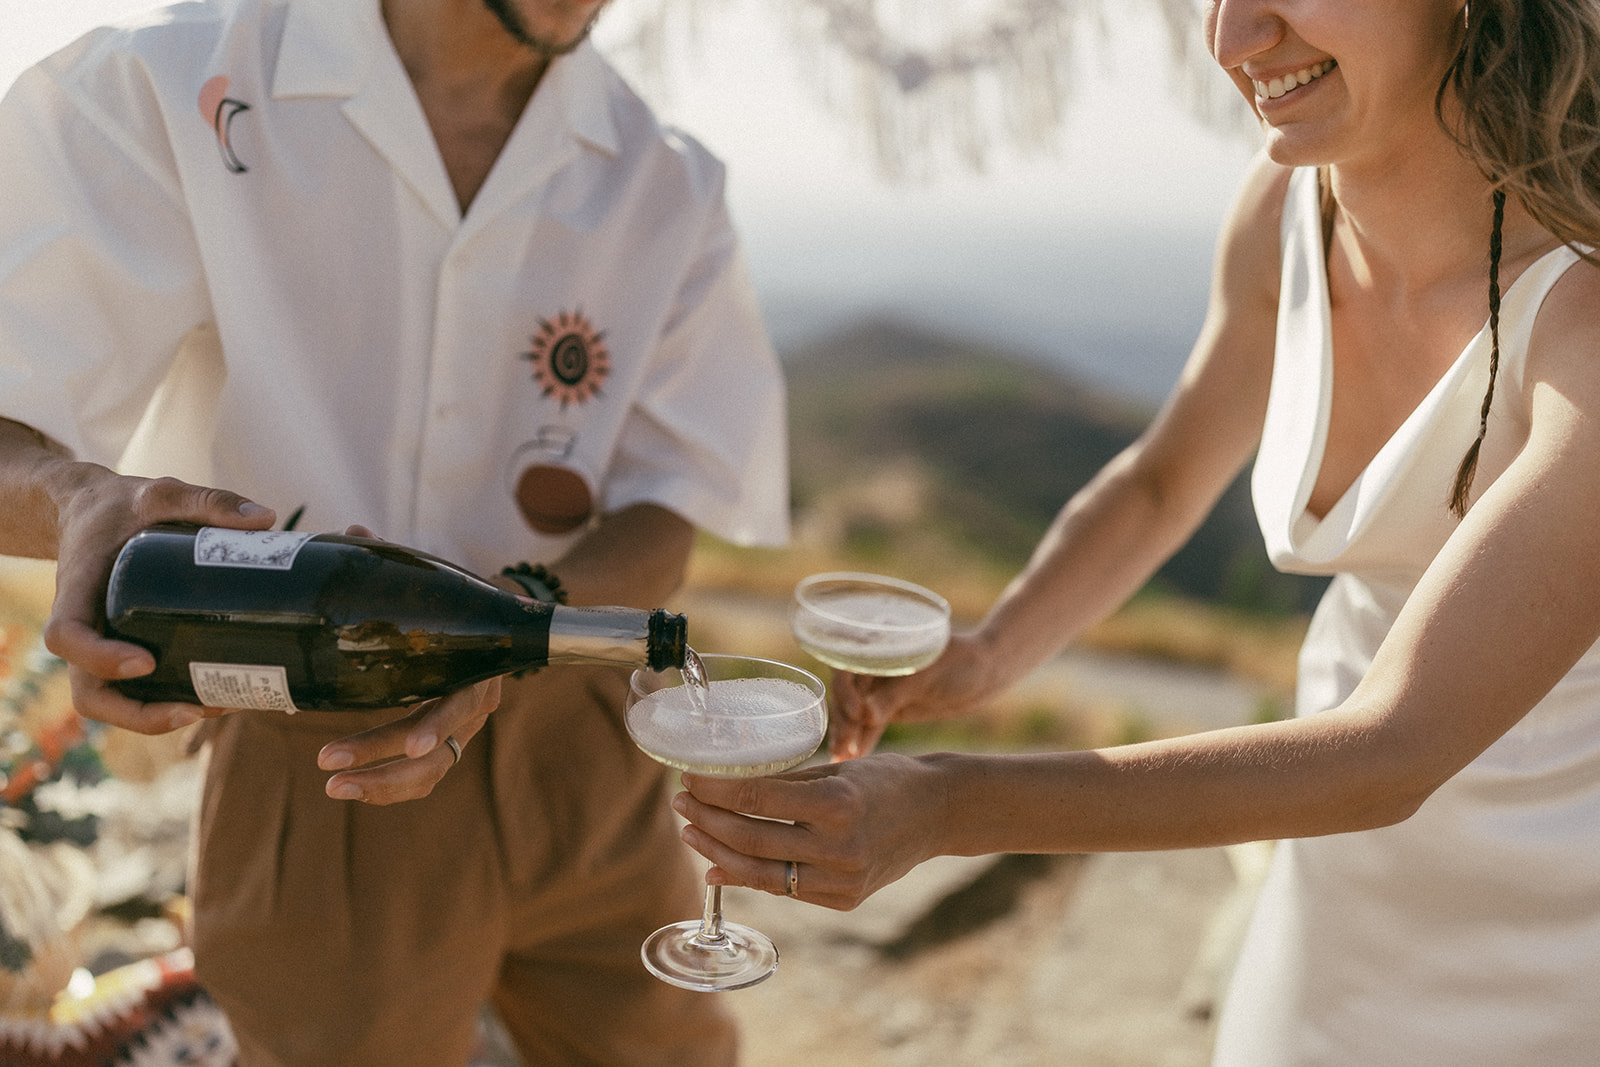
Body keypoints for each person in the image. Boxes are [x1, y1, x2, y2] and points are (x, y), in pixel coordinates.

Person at [674, 0, 1600, 1062]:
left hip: (1551, 902)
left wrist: (944, 803)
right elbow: (1163, 482)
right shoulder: (1284, 207)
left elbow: (1395, 749)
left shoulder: (1584, 311)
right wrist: (990, 654)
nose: (1234, 40)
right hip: (1329, 857)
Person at [0, 0, 789, 1063]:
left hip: (586, 763)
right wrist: (71, 496)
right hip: (323, 767)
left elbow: (667, 504)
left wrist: (525, 625)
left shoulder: (663, 182)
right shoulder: (172, 91)